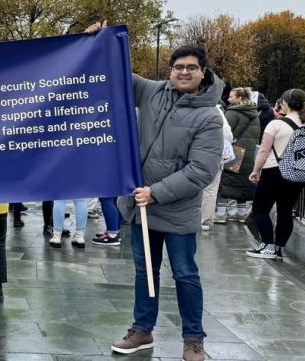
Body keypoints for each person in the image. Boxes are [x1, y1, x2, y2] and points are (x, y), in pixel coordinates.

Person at [88, 22, 221, 361]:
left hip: (174, 210)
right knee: (144, 271)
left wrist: (157, 192)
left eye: (192, 67)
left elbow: (201, 170)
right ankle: (142, 329)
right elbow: (115, 73)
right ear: (171, 71)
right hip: (140, 207)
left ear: (203, 73)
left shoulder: (209, 116)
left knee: (185, 275)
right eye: (179, 67)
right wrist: (100, 42)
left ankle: (194, 339)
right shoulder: (152, 91)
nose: (184, 72)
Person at [246, 88, 305, 259]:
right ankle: (278, 249)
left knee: (259, 208)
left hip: (273, 170)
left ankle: (267, 246)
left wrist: (256, 170)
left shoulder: (276, 124)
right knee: (285, 211)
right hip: (296, 173)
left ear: (285, 104)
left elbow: (264, 151)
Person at [215, 87, 259, 223]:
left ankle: (221, 214)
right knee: (242, 184)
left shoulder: (232, 112)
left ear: (240, 98)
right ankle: (241, 213)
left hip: (235, 152)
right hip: (249, 152)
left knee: (225, 182)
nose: (228, 99)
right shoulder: (255, 113)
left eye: (231, 97)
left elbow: (225, 132)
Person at [201, 105, 233, 229]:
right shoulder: (218, 112)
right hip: (216, 156)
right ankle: (205, 221)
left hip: (195, 154)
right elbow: (228, 136)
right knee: (211, 190)